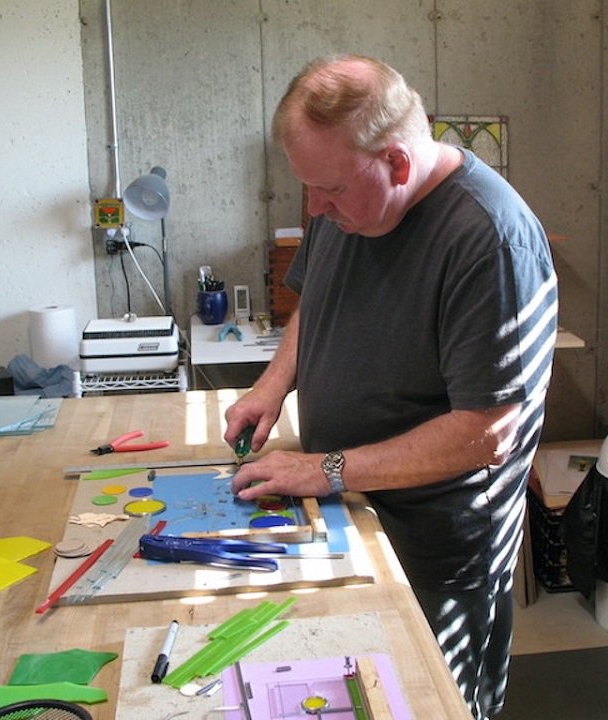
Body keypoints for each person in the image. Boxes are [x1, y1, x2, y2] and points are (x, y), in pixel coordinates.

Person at [224, 54, 558, 720]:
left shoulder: (487, 240)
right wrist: (272, 384)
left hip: (435, 544)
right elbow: (315, 300)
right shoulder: (348, 200)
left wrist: (327, 469)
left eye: (329, 191)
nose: (314, 208)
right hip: (349, 507)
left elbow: (486, 432)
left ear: (398, 164)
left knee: (430, 701)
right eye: (308, 188)